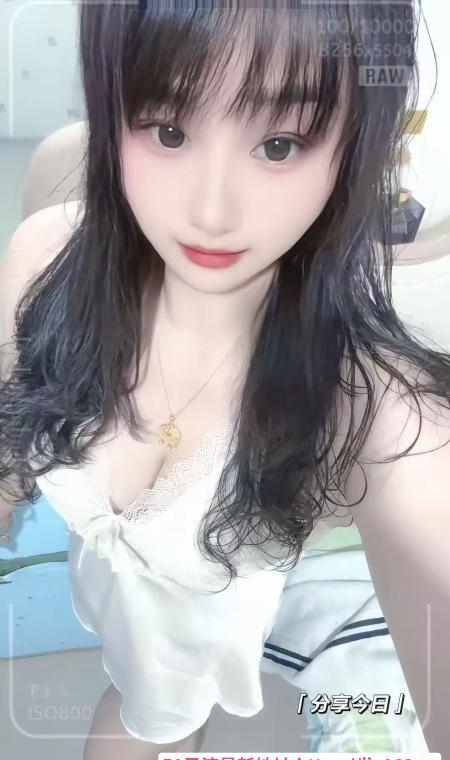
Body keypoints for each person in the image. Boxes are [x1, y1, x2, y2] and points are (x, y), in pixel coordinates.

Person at [1, 2, 449, 758]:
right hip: (109, 620)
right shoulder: (47, 258)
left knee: (152, 720)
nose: (211, 212)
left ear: (355, 142)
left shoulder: (371, 408)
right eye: (167, 130)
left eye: (279, 144)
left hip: (177, 672)